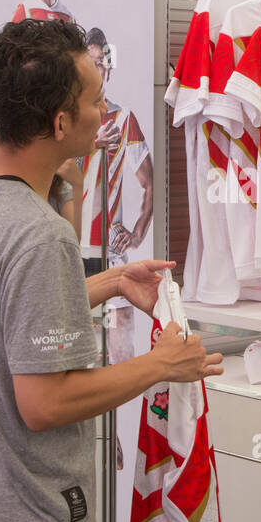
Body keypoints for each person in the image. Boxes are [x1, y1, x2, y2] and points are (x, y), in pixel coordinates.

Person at [0, 18, 223, 522]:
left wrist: (111, 282)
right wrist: (160, 363)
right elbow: (45, 403)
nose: (103, 111)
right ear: (60, 123)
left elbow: (0, 313)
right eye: (94, 100)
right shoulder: (40, 237)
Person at [78, 27, 153, 365]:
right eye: (91, 63)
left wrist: (137, 233)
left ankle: (121, 415)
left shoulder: (123, 119)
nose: (99, 70)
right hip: (70, 245)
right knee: (74, 342)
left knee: (120, 337)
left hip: (109, 248)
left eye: (103, 64)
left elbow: (149, 181)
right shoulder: (65, 118)